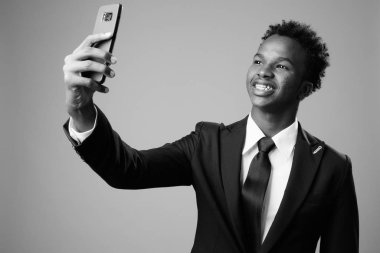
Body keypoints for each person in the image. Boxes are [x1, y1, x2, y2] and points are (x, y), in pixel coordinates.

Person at [63, 20, 359, 253]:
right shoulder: (207, 142)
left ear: (305, 89)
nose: (264, 72)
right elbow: (127, 170)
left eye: (281, 66)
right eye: (258, 61)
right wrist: (82, 109)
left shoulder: (333, 168)